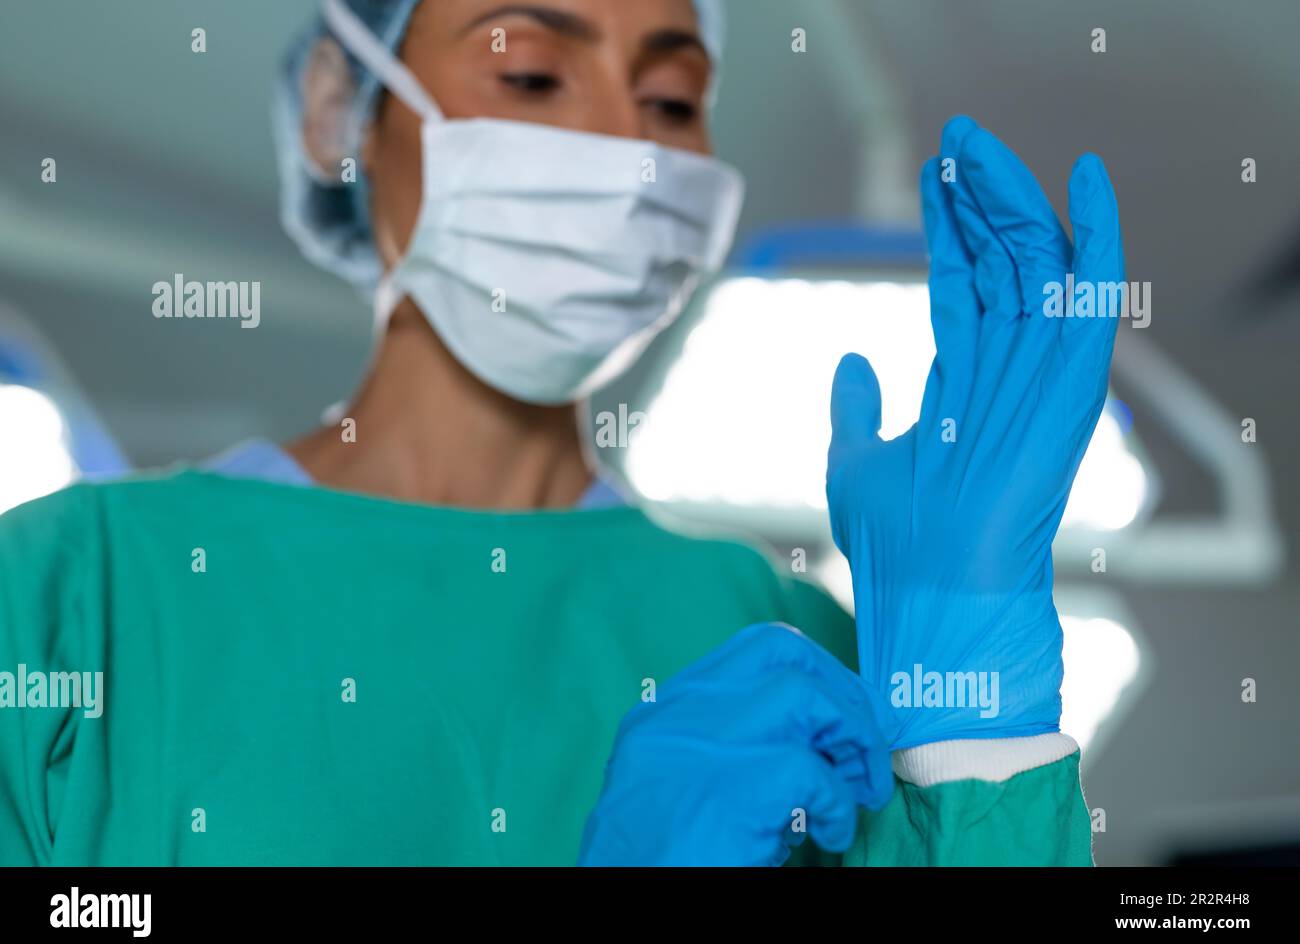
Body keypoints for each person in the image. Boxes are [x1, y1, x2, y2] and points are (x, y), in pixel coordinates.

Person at [0, 0, 1117, 866]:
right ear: (344, 113)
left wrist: (972, 736)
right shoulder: (66, 602)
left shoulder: (789, 642)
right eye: (531, 72)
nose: (624, 148)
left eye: (672, 102)